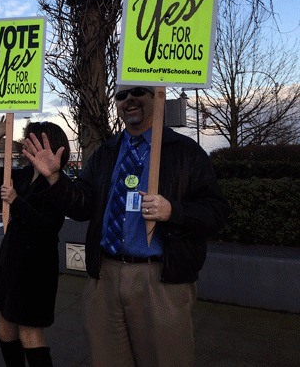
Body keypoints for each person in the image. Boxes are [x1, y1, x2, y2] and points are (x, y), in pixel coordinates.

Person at [23, 85, 230, 366]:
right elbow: (82, 206)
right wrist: (55, 178)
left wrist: (174, 211)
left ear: (156, 96)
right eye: (121, 95)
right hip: (105, 276)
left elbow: (216, 212)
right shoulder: (106, 152)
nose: (129, 99)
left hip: (159, 280)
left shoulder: (185, 151)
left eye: (138, 91)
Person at [0, 118, 70, 367]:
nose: (25, 145)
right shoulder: (22, 175)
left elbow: (47, 226)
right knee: (4, 326)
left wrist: (17, 202)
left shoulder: (56, 183)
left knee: (30, 333)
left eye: (32, 140)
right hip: (11, 261)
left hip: (36, 268)